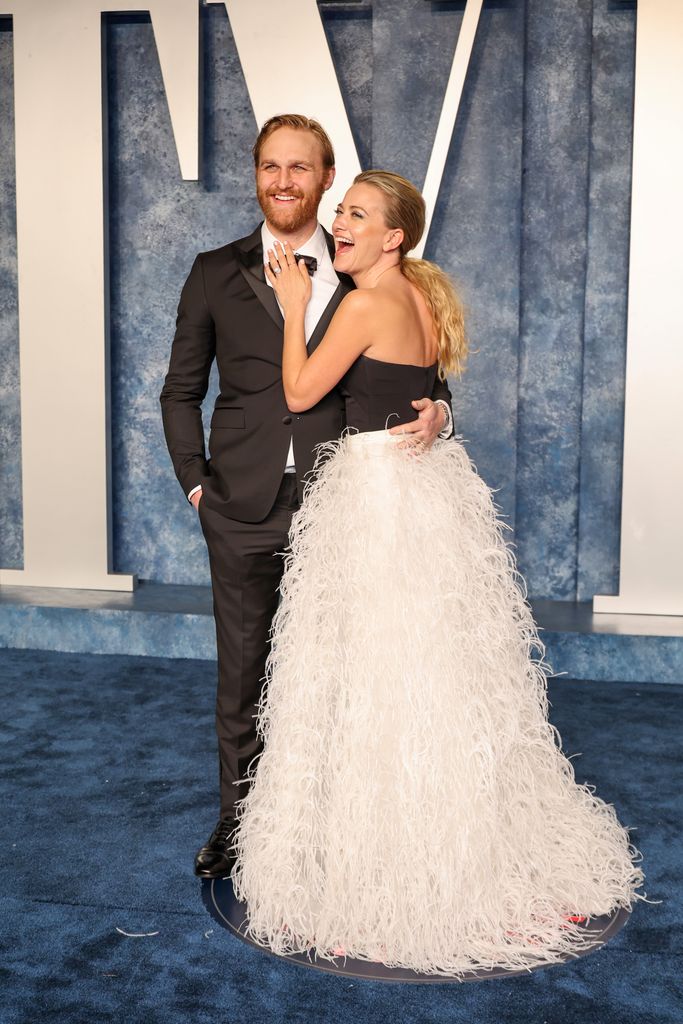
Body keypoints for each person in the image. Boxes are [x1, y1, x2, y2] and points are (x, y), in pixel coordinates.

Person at [231, 170, 644, 976]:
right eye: (339, 210)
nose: (338, 222)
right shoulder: (419, 297)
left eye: (355, 214)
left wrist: (291, 311)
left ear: (393, 236)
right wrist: (442, 412)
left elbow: (300, 387)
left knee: (380, 671)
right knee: (433, 670)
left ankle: (393, 868)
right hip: (422, 491)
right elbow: (421, 390)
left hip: (380, 498)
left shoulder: (362, 302)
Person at [159, 117, 454, 879]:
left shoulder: (363, 271)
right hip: (241, 504)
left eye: (300, 167)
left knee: (343, 669)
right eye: (268, 166)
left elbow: (417, 371)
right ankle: (238, 824)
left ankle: (331, 821)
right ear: (256, 176)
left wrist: (441, 411)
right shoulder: (212, 272)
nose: (282, 180)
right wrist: (198, 483)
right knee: (244, 672)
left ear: (326, 179)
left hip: (346, 503)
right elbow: (180, 391)